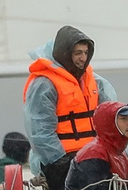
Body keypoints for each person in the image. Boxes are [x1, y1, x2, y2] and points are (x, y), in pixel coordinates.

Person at [22, 25, 114, 180]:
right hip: (61, 163)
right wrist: (62, 164)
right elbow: (40, 132)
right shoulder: (44, 85)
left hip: (95, 158)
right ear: (65, 53)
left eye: (86, 53)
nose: (83, 58)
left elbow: (109, 115)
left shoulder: (94, 81)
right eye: (78, 53)